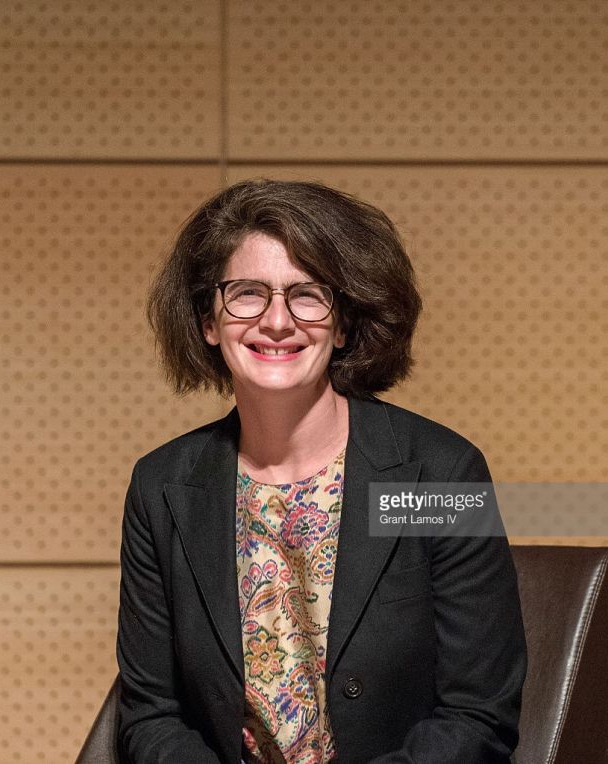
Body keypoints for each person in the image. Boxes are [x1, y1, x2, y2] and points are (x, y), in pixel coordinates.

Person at [116, 178, 527, 764]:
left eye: (307, 294)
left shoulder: (443, 475)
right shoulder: (161, 487)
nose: (277, 321)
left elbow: (478, 714)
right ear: (209, 321)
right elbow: (151, 716)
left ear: (343, 324)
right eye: (247, 293)